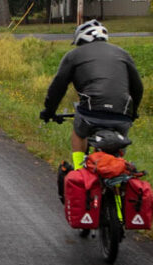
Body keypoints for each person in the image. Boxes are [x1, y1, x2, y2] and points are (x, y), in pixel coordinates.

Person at [40, 19, 143, 172]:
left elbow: (58, 87)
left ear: (81, 39)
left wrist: (49, 111)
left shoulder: (74, 55)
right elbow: (138, 87)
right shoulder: (123, 54)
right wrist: (133, 113)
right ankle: (118, 171)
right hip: (122, 115)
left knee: (79, 132)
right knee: (119, 142)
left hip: (91, 112)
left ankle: (79, 169)